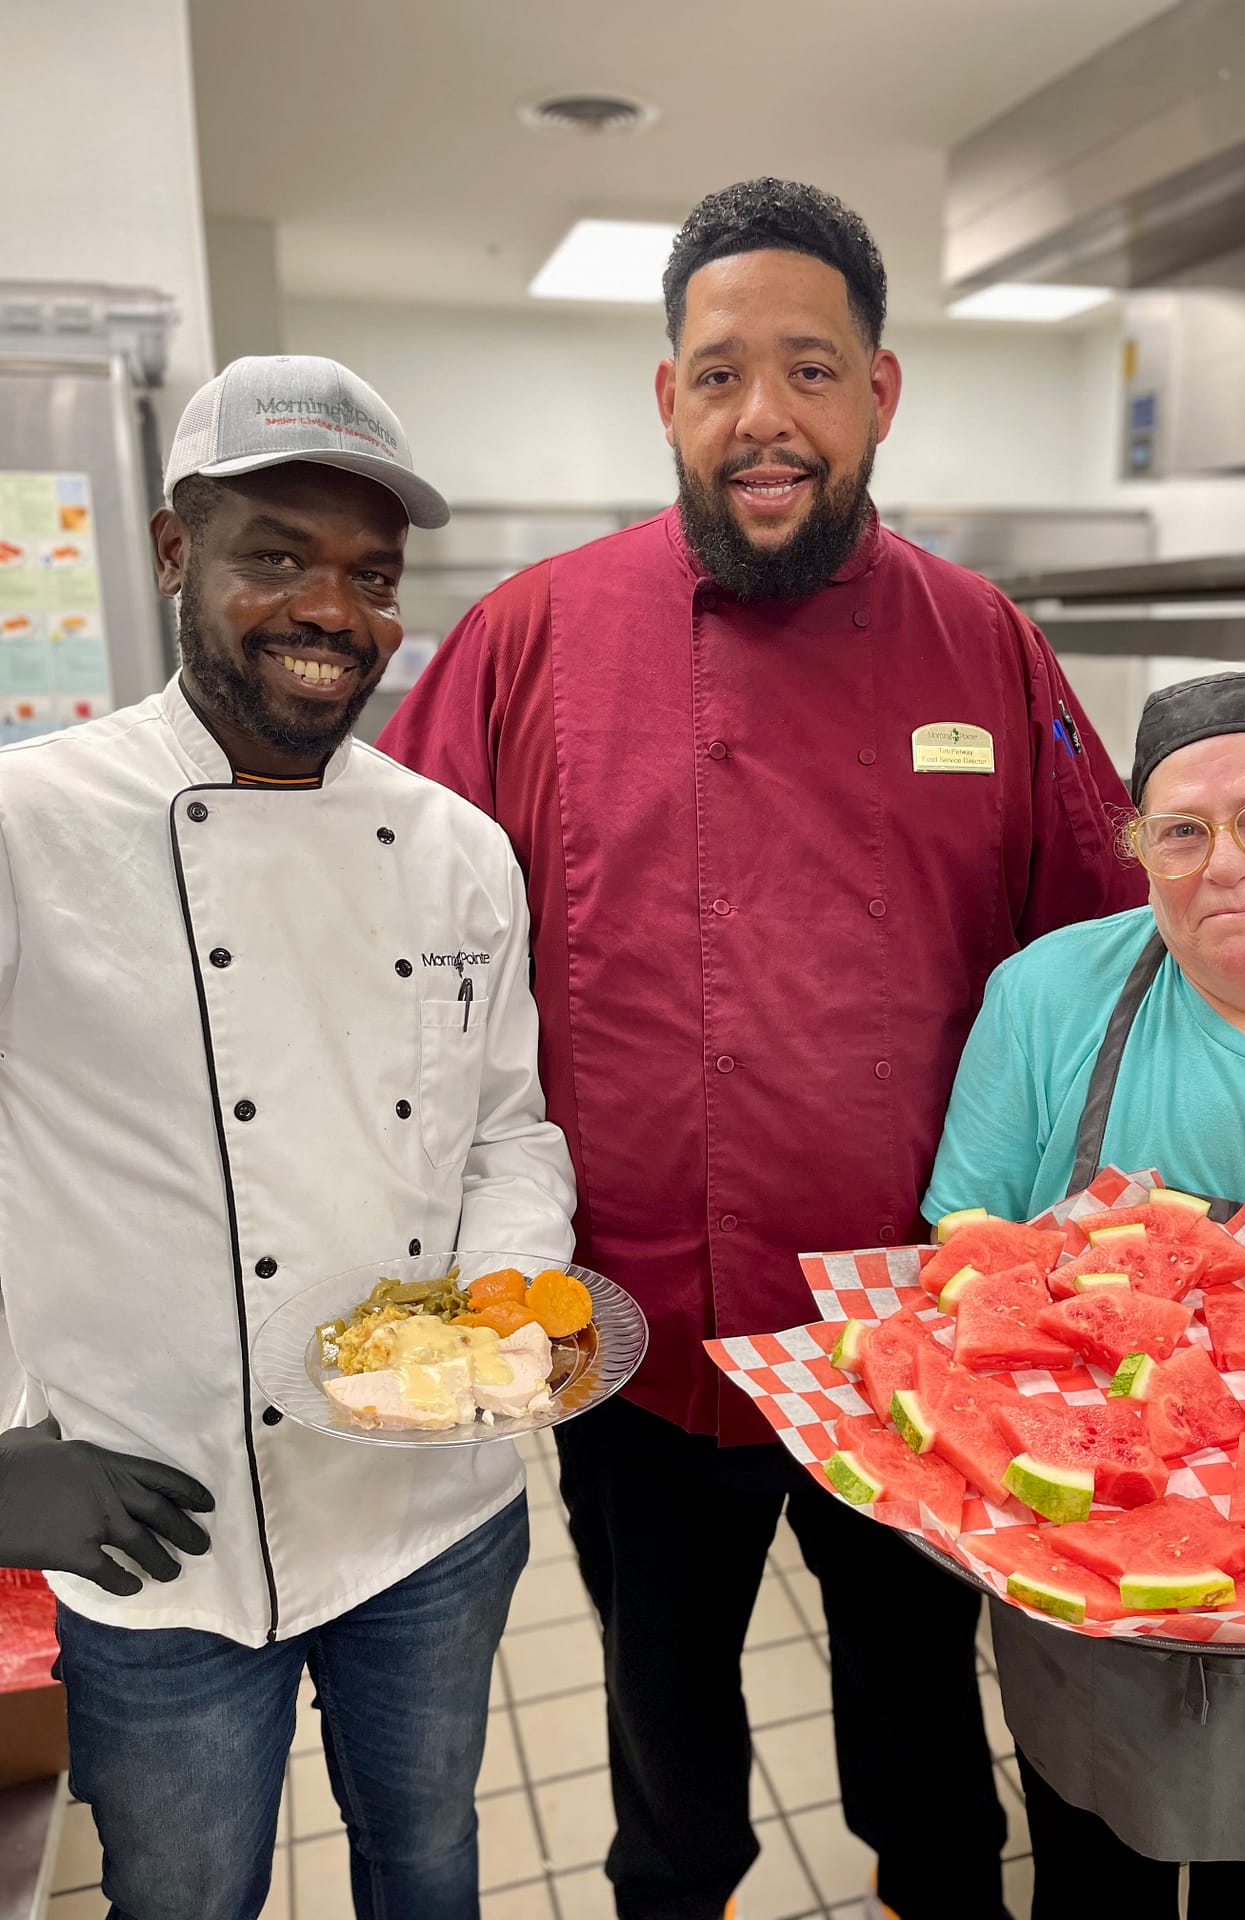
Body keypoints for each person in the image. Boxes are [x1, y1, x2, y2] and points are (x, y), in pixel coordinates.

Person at [379, 178, 1143, 1920]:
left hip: (907, 1345)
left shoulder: (985, 643)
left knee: (916, 1719)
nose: (763, 418)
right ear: (667, 400)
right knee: (662, 1728)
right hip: (634, 1330)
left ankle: (929, 1890)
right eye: (721, 375)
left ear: (880, 394)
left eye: (810, 371)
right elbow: (397, 937)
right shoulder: (531, 638)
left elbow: (1097, 966)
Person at [0, 355, 577, 1920]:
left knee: (432, 1867)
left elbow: (505, 1130)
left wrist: (513, 1297)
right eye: (277, 556)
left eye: (370, 575)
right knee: (186, 1898)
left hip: (433, 1516)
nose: (332, 608)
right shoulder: (31, 824)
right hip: (157, 1532)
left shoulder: (459, 848)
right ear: (176, 551)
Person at [923, 655, 1245, 1919]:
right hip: (1087, 1570)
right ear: (1140, 847)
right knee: (1090, 1884)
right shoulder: (1047, 997)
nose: (1227, 863)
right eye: (1183, 831)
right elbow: (954, 1281)